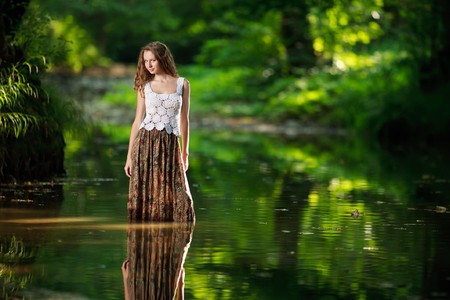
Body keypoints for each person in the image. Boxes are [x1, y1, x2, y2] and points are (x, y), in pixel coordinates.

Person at [124, 41, 195, 223]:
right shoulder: (144, 86)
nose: (149, 65)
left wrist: (185, 152)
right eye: (145, 61)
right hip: (145, 143)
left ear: (163, 59)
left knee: (180, 198)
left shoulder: (183, 84)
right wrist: (129, 156)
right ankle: (148, 238)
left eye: (153, 60)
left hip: (170, 144)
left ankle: (176, 241)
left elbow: (184, 120)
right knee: (148, 193)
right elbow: (138, 120)